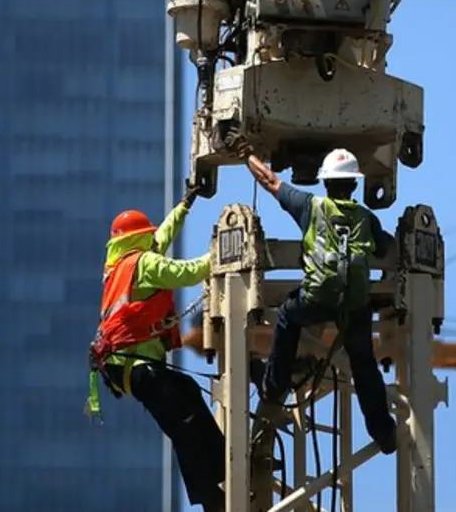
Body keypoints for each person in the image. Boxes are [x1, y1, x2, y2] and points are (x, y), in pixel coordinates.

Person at [224, 133, 398, 455]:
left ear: (326, 183)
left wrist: (247, 153)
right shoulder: (367, 218)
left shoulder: (310, 206)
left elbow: (271, 181)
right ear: (355, 186)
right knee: (364, 364)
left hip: (316, 300)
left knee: (289, 318)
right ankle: (384, 432)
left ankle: (274, 388)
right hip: (355, 305)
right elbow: (388, 247)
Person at [86, 188, 226, 512]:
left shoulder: (122, 267)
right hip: (139, 366)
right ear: (139, 239)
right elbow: (187, 272)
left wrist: (185, 205)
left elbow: (161, 236)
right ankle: (213, 492)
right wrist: (224, 255)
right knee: (184, 419)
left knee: (186, 400)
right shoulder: (145, 264)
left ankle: (220, 472)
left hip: (128, 369)